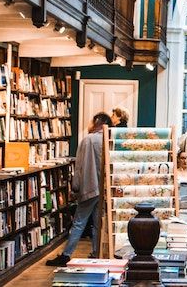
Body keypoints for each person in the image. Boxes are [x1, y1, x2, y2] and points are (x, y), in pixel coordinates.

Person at [46, 112, 113, 266]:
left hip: (90, 187)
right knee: (98, 223)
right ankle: (96, 254)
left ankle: (66, 255)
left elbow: (80, 167)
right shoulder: (108, 139)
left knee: (79, 222)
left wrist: (75, 187)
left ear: (96, 122)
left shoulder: (88, 140)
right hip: (103, 190)